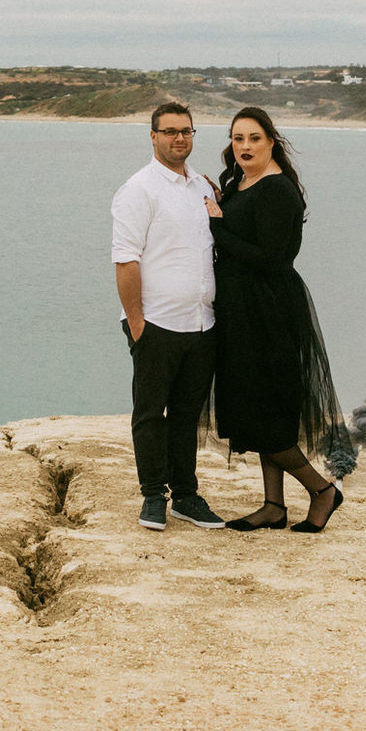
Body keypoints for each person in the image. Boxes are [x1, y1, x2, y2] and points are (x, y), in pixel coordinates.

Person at [204, 107, 346, 532]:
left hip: (267, 311)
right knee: (255, 406)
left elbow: (273, 259)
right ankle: (273, 506)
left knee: (264, 407)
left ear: (271, 141)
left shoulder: (278, 190)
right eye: (237, 138)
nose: (244, 146)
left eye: (253, 138)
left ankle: (322, 490)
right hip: (241, 309)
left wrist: (217, 227)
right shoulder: (240, 182)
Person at [111, 101, 228, 531]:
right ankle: (152, 497)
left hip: (202, 324)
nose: (180, 138)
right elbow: (126, 262)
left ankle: (186, 496)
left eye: (187, 131)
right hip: (156, 324)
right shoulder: (138, 190)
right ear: (154, 136)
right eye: (171, 131)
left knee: (186, 416)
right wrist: (138, 325)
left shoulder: (203, 186)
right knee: (149, 414)